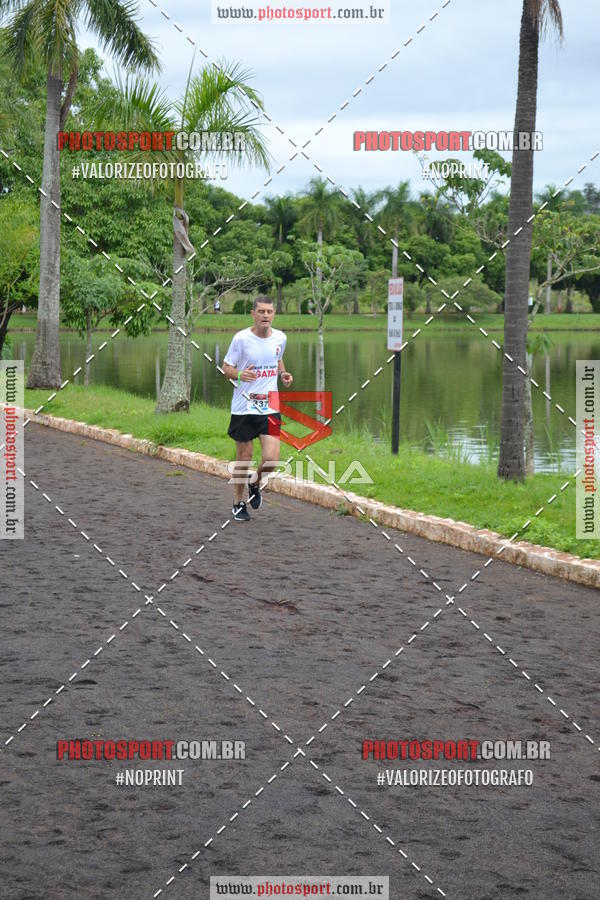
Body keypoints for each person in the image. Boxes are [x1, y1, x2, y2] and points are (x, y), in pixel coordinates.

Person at [223, 295, 293, 521]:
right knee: (244, 458)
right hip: (244, 407)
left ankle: (255, 482)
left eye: (269, 312)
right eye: (261, 311)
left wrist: (283, 373)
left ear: (274, 314)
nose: (265, 315)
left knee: (271, 459)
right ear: (253, 314)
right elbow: (226, 368)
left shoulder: (280, 338)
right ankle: (238, 502)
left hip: (269, 407)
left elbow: (277, 358)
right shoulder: (241, 339)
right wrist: (240, 374)